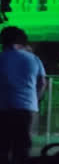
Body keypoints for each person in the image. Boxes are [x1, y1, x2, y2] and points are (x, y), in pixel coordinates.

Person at [0, 26, 47, 164]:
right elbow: (43, 83)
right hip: (27, 108)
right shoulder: (33, 59)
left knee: (3, 147)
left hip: (2, 109)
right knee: (22, 148)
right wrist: (35, 100)